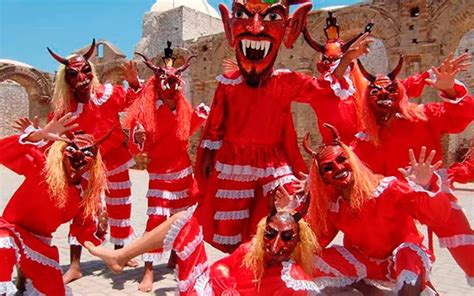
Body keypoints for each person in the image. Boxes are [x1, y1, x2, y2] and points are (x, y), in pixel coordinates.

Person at [196, 0, 372, 253]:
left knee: (288, 211)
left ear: (290, 28)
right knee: (235, 230)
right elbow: (214, 127)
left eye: (270, 18)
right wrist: (206, 162)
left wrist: (346, 60)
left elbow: (321, 88)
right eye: (243, 15)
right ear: (229, 25)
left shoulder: (285, 81)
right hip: (234, 162)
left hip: (272, 161)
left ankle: (279, 268)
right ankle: (245, 275)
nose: (256, 28)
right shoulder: (228, 84)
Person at [353, 54, 474, 285]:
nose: (383, 97)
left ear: (398, 93)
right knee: (403, 253)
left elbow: (459, 117)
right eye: (376, 93)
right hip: (396, 200)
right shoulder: (365, 139)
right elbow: (348, 162)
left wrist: (450, 90)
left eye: (389, 91)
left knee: (463, 241)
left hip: (432, 191)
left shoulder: (421, 115)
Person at [302, 124, 451, 295]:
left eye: (342, 160)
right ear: (324, 179)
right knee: (312, 261)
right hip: (367, 265)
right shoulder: (335, 207)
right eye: (328, 168)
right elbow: (315, 240)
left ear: (352, 160)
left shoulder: (390, 188)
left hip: (403, 262)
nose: (338, 168)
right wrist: (293, 209)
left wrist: (425, 186)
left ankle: (412, 288)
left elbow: (436, 216)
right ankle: (367, 288)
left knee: (408, 253)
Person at [84, 190, 322, 295]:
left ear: (298, 241)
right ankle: (120, 256)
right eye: (270, 234)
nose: (275, 244)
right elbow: (220, 267)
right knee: (184, 220)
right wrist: (225, 284)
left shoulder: (294, 281)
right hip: (206, 292)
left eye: (287, 237)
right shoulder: (252, 249)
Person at [47, 39, 142, 283]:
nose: (82, 77)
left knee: (121, 208)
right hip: (85, 165)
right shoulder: (64, 107)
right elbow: (52, 133)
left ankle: (121, 253)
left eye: (86, 70)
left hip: (116, 161)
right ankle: (76, 265)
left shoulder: (108, 94)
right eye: (74, 74)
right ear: (66, 78)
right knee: (82, 212)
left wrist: (133, 82)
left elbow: (133, 102)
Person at [124, 42, 210, 292]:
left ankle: (175, 258)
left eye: (175, 86)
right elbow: (137, 149)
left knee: (182, 219)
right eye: (167, 85)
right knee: (156, 220)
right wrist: (137, 140)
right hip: (160, 176)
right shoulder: (147, 112)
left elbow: (187, 134)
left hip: (184, 174)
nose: (172, 91)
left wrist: (200, 118)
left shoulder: (183, 109)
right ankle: (148, 271)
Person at [0, 115, 108, 296]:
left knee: (55, 292)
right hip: (10, 230)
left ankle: (25, 276)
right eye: (72, 149)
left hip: (40, 242)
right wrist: (37, 135)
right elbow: (3, 153)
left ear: (93, 165)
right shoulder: (42, 168)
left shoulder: (84, 194)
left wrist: (101, 238)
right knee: (2, 247)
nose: (79, 156)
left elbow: (83, 230)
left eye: (88, 153)